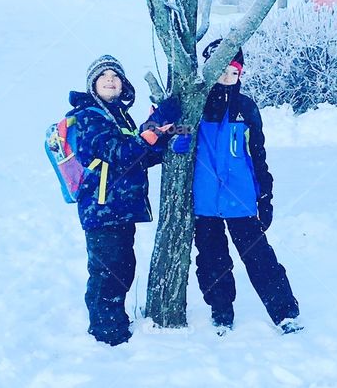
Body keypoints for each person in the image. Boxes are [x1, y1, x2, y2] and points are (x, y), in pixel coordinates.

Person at [190, 39, 301, 334]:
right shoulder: (195, 106)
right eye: (221, 71)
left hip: (240, 199)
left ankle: (284, 312)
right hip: (203, 202)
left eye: (234, 72)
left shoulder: (246, 108)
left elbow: (258, 156)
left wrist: (265, 197)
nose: (227, 78)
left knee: (259, 256)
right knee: (212, 259)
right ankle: (221, 310)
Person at [69, 54, 180, 346]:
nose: (110, 79)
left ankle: (112, 322)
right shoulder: (88, 116)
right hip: (101, 209)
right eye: (103, 75)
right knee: (108, 272)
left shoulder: (119, 116)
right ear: (93, 84)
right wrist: (153, 129)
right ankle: (106, 334)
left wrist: (161, 133)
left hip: (120, 209)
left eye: (115, 76)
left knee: (121, 267)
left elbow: (139, 156)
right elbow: (119, 154)